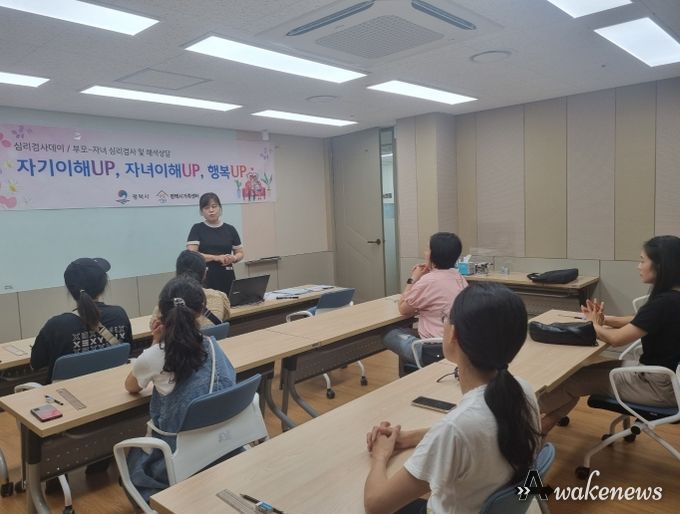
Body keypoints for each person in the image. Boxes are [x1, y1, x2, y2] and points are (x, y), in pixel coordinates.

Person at [365, 283, 540, 514]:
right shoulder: (523, 390)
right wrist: (412, 437)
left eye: (445, 318)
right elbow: (479, 431)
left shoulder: (456, 428)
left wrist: (380, 455)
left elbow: (376, 505)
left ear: (454, 334)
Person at [540, 235, 680, 433]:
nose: (638, 267)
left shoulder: (663, 303)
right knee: (578, 374)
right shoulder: (673, 298)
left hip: (656, 387)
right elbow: (638, 319)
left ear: (660, 265)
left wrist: (592, 323)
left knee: (571, 382)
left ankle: (519, 416)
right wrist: (604, 320)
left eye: (642, 261)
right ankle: (542, 426)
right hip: (664, 379)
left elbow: (616, 339)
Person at [124, 276, 236, 503]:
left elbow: (131, 386)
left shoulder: (154, 356)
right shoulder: (213, 346)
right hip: (219, 447)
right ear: (201, 311)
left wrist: (155, 343)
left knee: (133, 461)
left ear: (160, 312)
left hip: (174, 459)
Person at [31, 257, 132, 381]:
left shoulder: (56, 326)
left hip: (69, 392)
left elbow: (35, 364)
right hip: (113, 387)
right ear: (103, 285)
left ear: (70, 289)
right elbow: (128, 351)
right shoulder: (119, 315)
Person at [383, 232, 468, 365]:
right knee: (407, 331)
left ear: (434, 254)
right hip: (458, 345)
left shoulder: (429, 280)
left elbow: (403, 308)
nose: (425, 253)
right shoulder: (460, 278)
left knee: (388, 333)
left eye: (428, 249)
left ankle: (418, 361)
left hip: (435, 350)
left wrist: (414, 278)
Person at [150, 250, 231, 328]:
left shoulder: (167, 301)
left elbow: (153, 325)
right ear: (204, 273)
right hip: (213, 338)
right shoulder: (219, 297)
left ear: (177, 273)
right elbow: (225, 317)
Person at [186, 192, 244, 295]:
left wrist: (234, 258)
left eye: (214, 206)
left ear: (220, 208)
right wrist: (215, 257)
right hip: (205, 277)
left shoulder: (230, 229)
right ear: (201, 211)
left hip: (227, 276)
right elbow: (191, 255)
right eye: (206, 208)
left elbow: (240, 253)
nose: (211, 210)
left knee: (230, 302)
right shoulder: (197, 228)